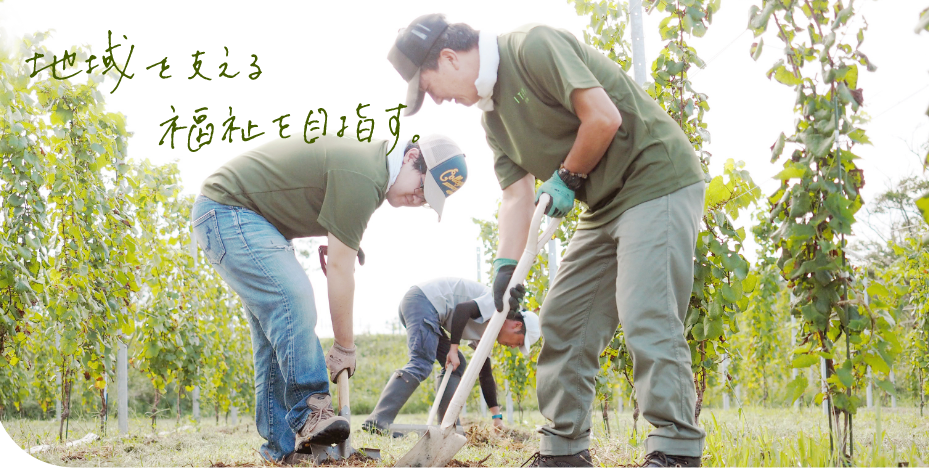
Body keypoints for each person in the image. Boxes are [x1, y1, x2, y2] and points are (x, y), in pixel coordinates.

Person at [387, 14, 707, 468]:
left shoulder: (532, 48)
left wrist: (566, 176)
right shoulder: (493, 121)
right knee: (562, 321)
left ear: (449, 57)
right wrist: (503, 271)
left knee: (646, 311)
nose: (435, 98)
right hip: (604, 204)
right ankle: (564, 452)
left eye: (429, 85)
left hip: (654, 177)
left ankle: (676, 449)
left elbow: (603, 117)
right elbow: (516, 198)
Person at [191, 133, 468, 464]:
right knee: (293, 299)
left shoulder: (373, 171)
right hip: (229, 211)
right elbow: (340, 268)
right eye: (423, 187)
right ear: (411, 158)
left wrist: (342, 242)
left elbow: (335, 224)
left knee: (273, 341)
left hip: (250, 220)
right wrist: (344, 347)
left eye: (427, 199)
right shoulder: (366, 172)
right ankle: (313, 410)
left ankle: (281, 451)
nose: (418, 198)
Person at [362, 277, 540, 435]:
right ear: (517, 326)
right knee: (422, 362)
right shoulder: (498, 306)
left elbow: (484, 373)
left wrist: (496, 416)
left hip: (426, 308)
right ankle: (378, 422)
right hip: (424, 301)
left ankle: (448, 427)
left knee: (458, 364)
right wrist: (453, 349)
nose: (514, 346)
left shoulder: (490, 331)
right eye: (519, 342)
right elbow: (463, 310)